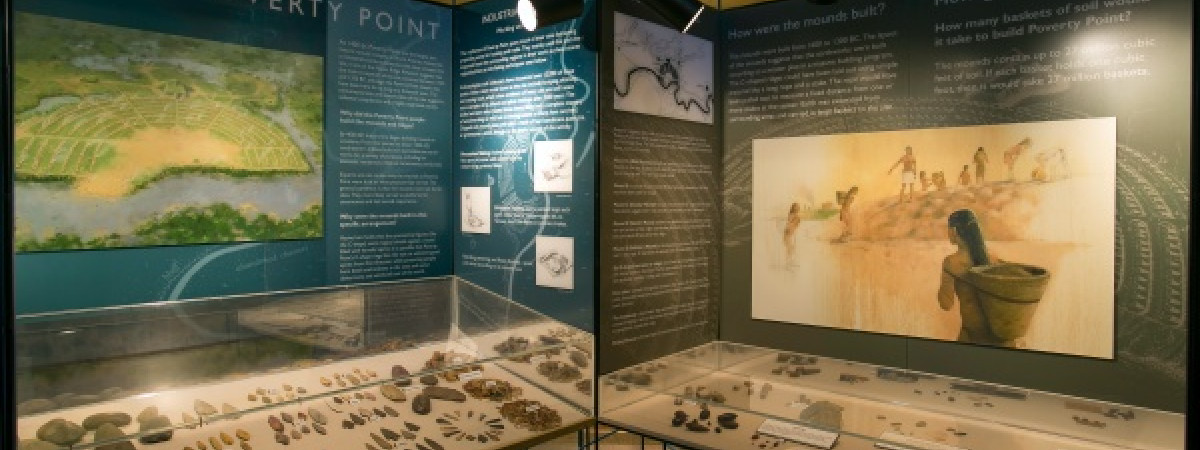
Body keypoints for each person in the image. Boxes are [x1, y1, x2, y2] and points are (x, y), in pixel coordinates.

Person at [937, 209, 1017, 347]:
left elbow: (946, 304)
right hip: (1001, 341)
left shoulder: (951, 263)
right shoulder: (994, 258)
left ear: (954, 230)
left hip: (972, 339)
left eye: (948, 228)